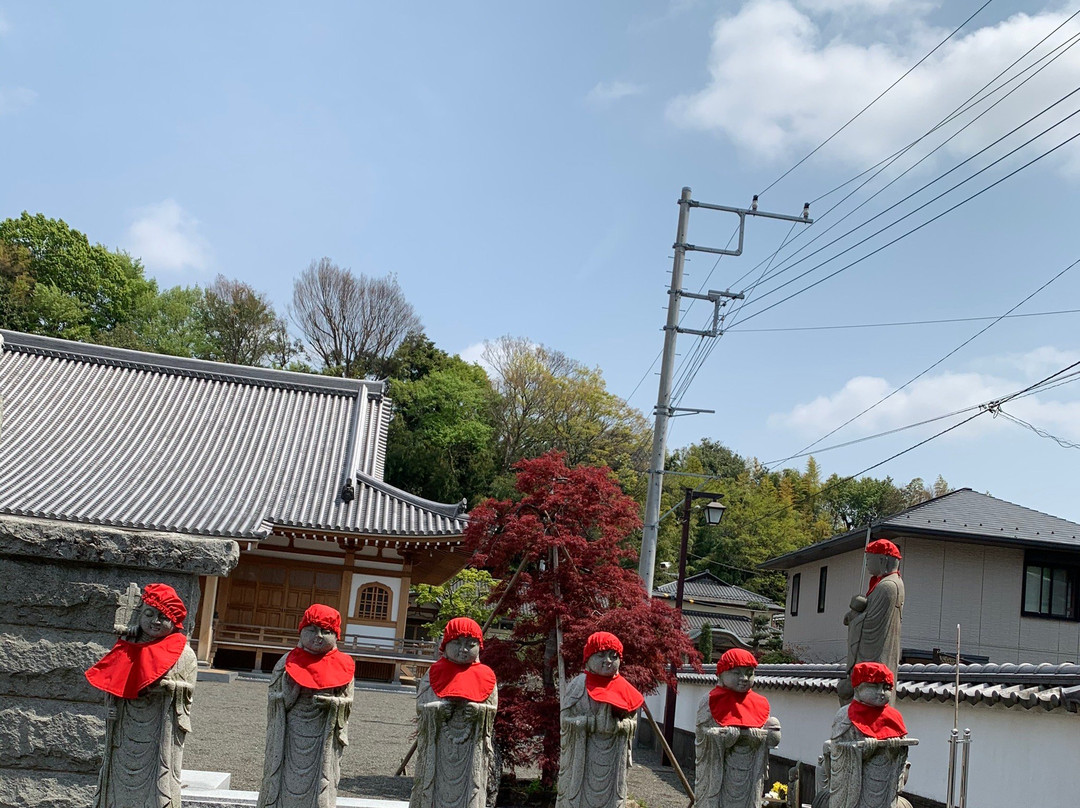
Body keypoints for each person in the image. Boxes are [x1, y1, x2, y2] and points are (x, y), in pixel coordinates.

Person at [85, 583, 197, 808]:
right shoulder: (128, 645)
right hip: (125, 726)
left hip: (160, 725)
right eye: (149, 614)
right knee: (117, 770)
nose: (155, 621)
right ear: (139, 615)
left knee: (160, 775)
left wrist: (171, 687)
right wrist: (111, 703)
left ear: (173, 621)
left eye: (163, 617)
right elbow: (114, 681)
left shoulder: (183, 654)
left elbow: (188, 689)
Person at [258, 604, 355, 808]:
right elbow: (274, 698)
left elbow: (347, 702)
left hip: (323, 733)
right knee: (284, 777)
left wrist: (333, 703)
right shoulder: (286, 662)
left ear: (336, 635)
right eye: (311, 630)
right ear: (301, 630)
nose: (318, 636)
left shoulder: (344, 665)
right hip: (290, 732)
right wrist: (288, 695)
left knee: (322, 779)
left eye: (325, 631)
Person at [410, 617, 499, 808]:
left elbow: (492, 711)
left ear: (479, 646)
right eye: (457, 643)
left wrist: (479, 711)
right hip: (439, 744)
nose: (464, 649)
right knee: (433, 786)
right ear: (445, 644)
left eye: (470, 644)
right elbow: (421, 707)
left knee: (472, 788)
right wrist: (437, 710)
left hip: (471, 747)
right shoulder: (433, 673)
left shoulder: (487, 676)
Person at [556, 631, 644, 808]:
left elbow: (632, 722)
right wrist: (588, 723)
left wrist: (622, 726)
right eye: (601, 655)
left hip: (613, 758)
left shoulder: (625, 689)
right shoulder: (578, 684)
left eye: (614, 656)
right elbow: (565, 720)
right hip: (583, 758)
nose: (608, 661)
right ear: (588, 658)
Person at [819, 662, 916, 808]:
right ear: (858, 688)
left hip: (884, 784)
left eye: (886, 688)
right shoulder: (845, 715)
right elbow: (837, 753)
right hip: (854, 791)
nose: (881, 693)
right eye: (873, 686)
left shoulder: (894, 717)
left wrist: (895, 751)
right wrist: (860, 753)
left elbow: (902, 755)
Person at [695, 648, 781, 808]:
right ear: (721, 674)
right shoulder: (709, 700)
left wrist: (763, 737)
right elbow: (702, 734)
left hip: (750, 770)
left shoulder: (760, 703)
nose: (744, 678)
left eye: (749, 673)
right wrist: (721, 736)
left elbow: (770, 738)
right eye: (736, 673)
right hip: (720, 772)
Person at [839, 539, 904, 703]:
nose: (867, 565)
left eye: (869, 560)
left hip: (876, 653)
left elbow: (871, 624)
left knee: (858, 692)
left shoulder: (888, 586)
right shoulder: (883, 584)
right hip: (875, 652)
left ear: (883, 559)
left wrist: (854, 617)